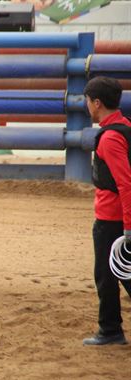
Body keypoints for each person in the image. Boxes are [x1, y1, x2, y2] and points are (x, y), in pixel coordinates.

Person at [83, 76, 131, 345]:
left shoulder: (110, 138)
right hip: (118, 218)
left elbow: (125, 183)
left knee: (108, 274)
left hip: (112, 220)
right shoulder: (125, 127)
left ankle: (110, 330)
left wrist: (127, 226)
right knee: (121, 273)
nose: (86, 105)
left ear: (97, 103)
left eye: (87, 100)